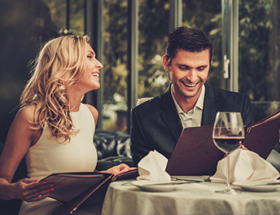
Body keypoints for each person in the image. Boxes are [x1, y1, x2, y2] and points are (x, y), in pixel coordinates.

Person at [0, 35, 131, 215]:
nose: (99, 64)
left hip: (81, 208)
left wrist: (108, 174)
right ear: (67, 63)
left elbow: (78, 177)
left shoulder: (90, 114)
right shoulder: (32, 116)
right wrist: (15, 190)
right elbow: (2, 183)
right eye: (90, 57)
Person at [130, 26, 255, 166]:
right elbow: (142, 175)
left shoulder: (238, 105)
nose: (192, 77)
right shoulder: (142, 117)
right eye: (184, 68)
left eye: (201, 68)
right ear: (166, 63)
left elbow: (250, 165)